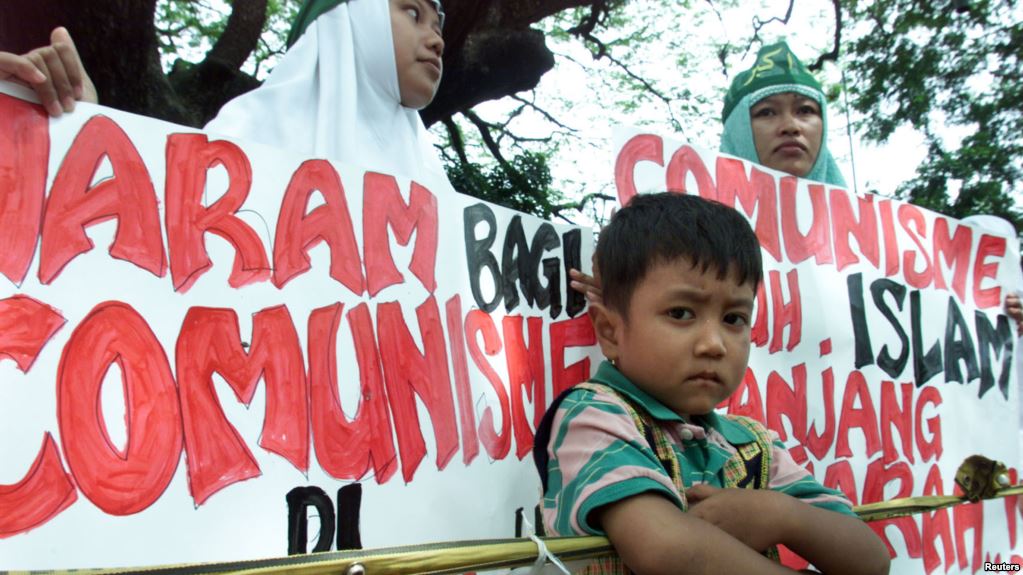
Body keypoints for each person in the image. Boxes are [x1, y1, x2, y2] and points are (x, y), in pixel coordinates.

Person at [534, 192, 891, 575]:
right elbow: (667, 549)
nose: (714, 344)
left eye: (734, 318)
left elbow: (872, 561)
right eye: (681, 313)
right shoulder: (595, 416)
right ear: (610, 331)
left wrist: (784, 514)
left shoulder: (754, 445)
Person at [0, 0, 447, 182]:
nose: (436, 39)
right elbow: (155, 245)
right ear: (352, 19)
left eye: (438, 23)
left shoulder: (438, 186)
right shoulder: (243, 136)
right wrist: (83, 135)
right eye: (412, 11)